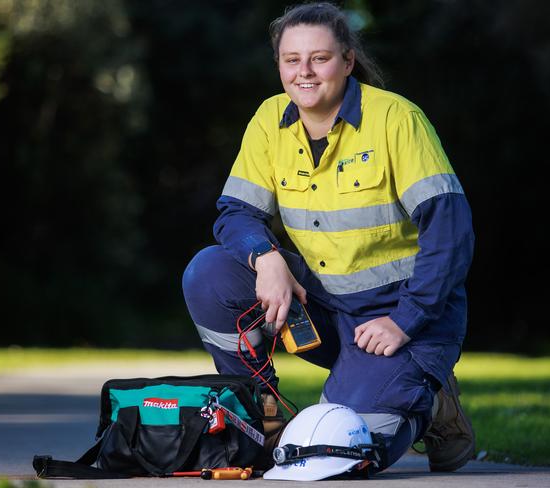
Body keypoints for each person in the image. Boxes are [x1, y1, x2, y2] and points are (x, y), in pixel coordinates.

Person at [182, 2, 475, 474]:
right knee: (209, 272)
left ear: (347, 61)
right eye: (291, 59)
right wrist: (267, 258)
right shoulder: (269, 120)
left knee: (345, 449)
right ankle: (262, 412)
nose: (305, 72)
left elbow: (451, 232)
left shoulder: (397, 119)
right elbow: (235, 213)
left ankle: (435, 402)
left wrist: (407, 319)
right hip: (322, 308)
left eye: (319, 58)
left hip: (400, 319)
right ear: (278, 65)